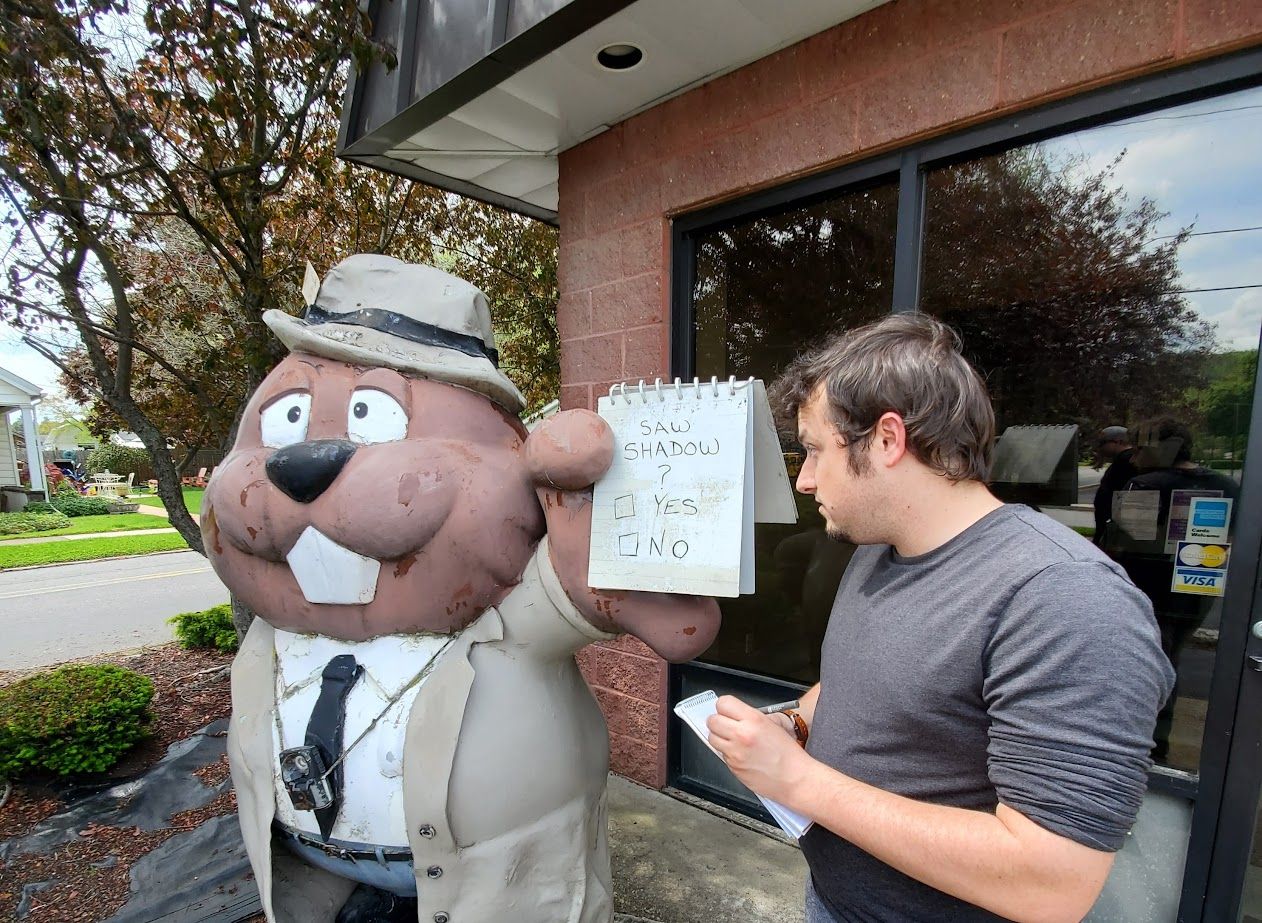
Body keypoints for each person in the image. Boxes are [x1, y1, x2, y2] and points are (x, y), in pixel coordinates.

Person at [705, 314, 1174, 923]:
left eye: (816, 450)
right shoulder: (877, 550)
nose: (805, 478)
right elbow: (864, 684)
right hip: (835, 901)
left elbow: (1051, 884)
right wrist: (792, 723)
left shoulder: (1065, 601)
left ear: (887, 439)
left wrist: (797, 782)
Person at [1111, 417, 1240, 760]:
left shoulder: (1146, 484)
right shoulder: (1226, 485)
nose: (1135, 457)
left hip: (1147, 590)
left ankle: (1146, 747)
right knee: (1169, 660)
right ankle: (1156, 743)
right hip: (1195, 591)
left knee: (1145, 667)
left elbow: (1125, 541)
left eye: (1141, 448)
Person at [1092, 425, 1138, 547]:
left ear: (1118, 442)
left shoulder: (1125, 462)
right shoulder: (1121, 461)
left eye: (1102, 443)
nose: (1099, 447)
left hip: (1113, 529)